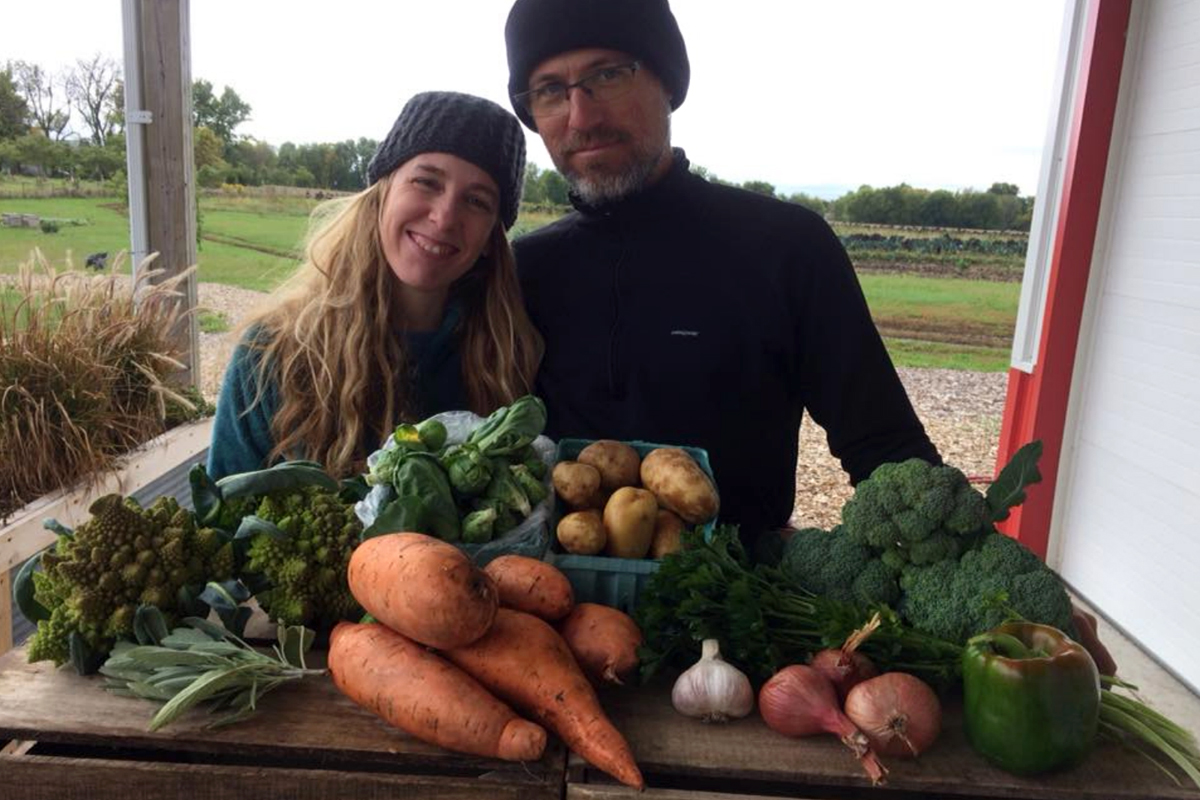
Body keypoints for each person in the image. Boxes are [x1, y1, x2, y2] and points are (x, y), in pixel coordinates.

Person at [502, 0, 941, 547]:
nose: (580, 117)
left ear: (668, 82)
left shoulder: (787, 247)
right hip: (548, 607)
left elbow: (887, 451)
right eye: (549, 90)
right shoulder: (524, 269)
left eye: (608, 75)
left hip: (742, 605)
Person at [207, 91, 542, 481]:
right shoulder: (272, 354)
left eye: (477, 201)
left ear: (491, 240)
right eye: (426, 182)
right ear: (382, 194)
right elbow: (220, 519)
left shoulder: (510, 355)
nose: (445, 217)